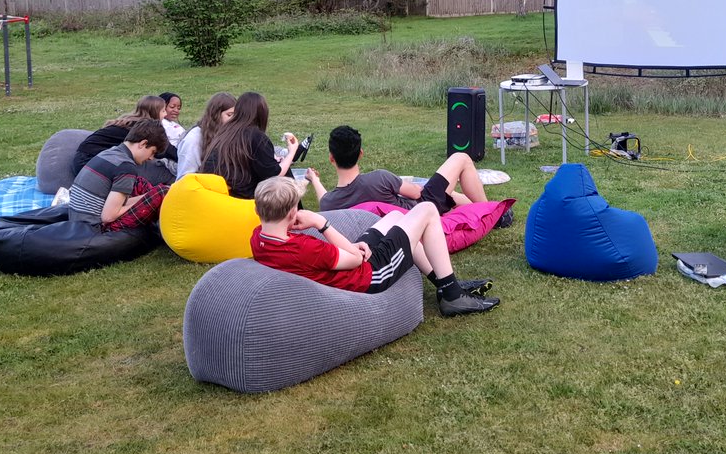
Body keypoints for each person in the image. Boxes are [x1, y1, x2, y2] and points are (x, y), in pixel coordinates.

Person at [251, 175, 498, 316]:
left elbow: (344, 255)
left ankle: (447, 284)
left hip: (349, 263)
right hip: (371, 276)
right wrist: (320, 222)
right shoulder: (306, 249)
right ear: (293, 211)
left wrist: (355, 247)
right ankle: (453, 297)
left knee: (395, 218)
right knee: (427, 210)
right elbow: (356, 260)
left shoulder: (258, 238)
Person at [308, 125, 512, 227]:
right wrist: (403, 183)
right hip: (419, 209)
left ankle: (482, 210)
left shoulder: (329, 205)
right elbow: (415, 193)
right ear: (360, 154)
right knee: (461, 158)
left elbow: (325, 199)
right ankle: (493, 213)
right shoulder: (379, 178)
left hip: (398, 223)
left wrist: (314, 180)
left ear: (331, 158)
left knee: (455, 196)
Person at [67, 119, 171, 230]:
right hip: (95, 227)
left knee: (143, 186)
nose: (151, 158)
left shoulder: (109, 153)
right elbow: (108, 217)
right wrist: (151, 200)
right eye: (153, 152)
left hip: (77, 219)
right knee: (162, 192)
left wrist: (148, 197)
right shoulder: (126, 167)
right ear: (143, 144)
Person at [201, 91, 297, 199]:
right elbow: (273, 175)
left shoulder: (224, 132)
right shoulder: (255, 136)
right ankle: (296, 214)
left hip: (213, 193)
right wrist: (292, 151)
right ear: (262, 114)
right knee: (285, 179)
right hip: (239, 198)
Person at [71, 95, 178, 178]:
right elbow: (165, 150)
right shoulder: (142, 129)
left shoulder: (130, 121)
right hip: (87, 162)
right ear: (154, 112)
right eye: (163, 111)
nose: (165, 114)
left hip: (83, 157)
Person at [176, 92, 236, 180]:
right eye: (229, 115)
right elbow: (184, 178)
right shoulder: (194, 138)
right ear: (216, 115)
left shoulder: (230, 134)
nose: (234, 119)